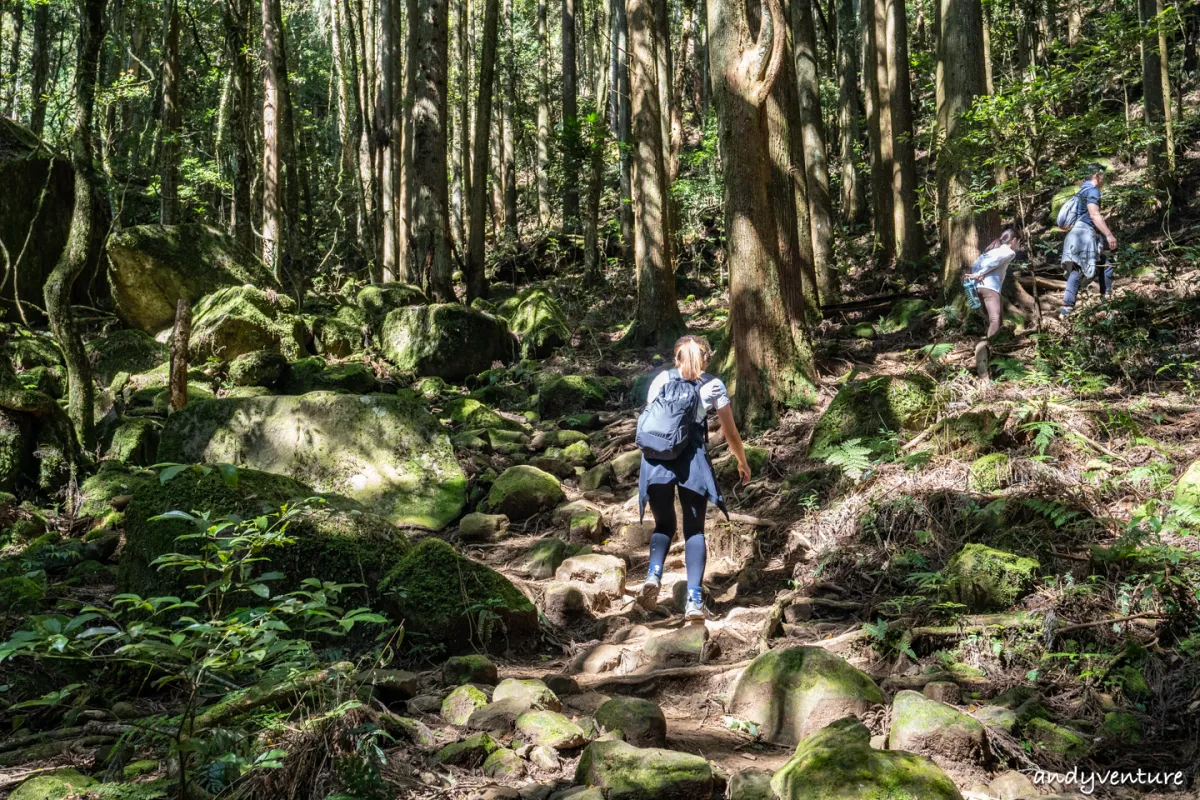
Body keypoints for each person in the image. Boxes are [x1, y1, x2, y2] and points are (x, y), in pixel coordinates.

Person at [635, 336, 751, 622]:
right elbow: (731, 432)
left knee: (664, 524)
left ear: (676, 359)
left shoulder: (661, 379)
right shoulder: (713, 386)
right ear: (707, 359)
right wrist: (742, 460)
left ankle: (653, 574)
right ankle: (694, 601)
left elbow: (652, 422)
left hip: (656, 461)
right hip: (693, 462)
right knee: (694, 531)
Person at [1061, 164, 1117, 317]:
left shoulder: (1081, 191)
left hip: (1075, 234)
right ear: (1097, 175)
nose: (1104, 179)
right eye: (1103, 176)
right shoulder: (1093, 191)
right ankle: (1068, 309)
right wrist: (1109, 234)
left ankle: (1069, 308)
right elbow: (1094, 214)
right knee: (1081, 269)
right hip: (1083, 236)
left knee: (1103, 263)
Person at [968, 228, 1021, 338]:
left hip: (979, 288)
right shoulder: (1009, 252)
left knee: (998, 316)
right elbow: (996, 262)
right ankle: (991, 346)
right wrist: (981, 273)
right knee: (995, 319)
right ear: (1014, 240)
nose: (1019, 246)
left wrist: (976, 275)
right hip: (990, 289)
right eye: (1019, 242)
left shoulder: (992, 251)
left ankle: (1000, 342)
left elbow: (976, 263)